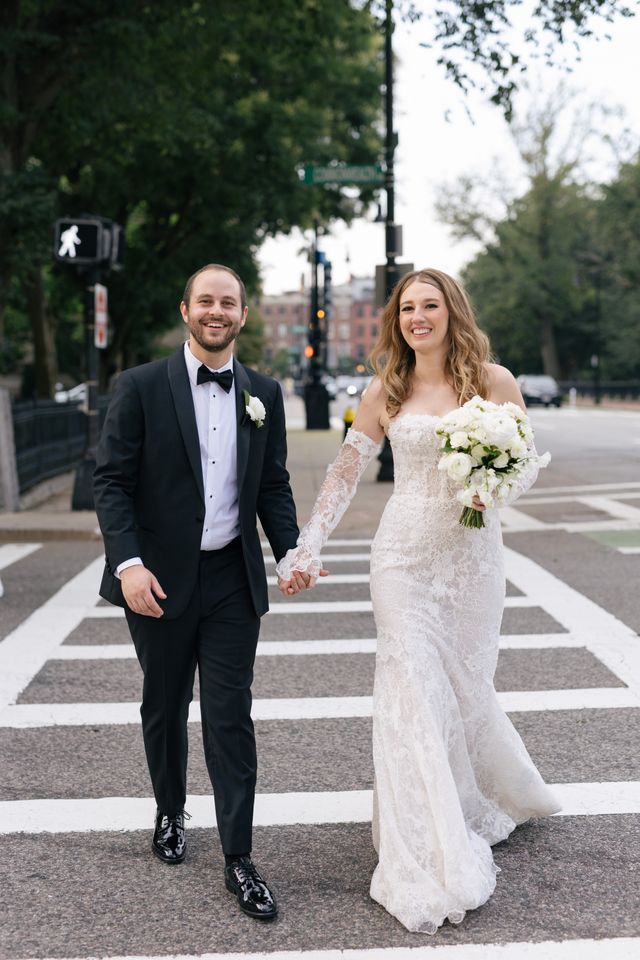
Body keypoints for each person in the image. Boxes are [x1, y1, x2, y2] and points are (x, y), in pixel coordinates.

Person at [277, 268, 560, 934]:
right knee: (410, 687)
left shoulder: (493, 382)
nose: (418, 317)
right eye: (407, 308)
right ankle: (422, 841)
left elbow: (521, 465)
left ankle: (479, 798)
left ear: (452, 311)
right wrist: (306, 546)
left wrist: (493, 490)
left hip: (472, 558)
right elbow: (343, 477)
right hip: (402, 557)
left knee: (465, 689)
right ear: (396, 319)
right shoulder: (385, 389)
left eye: (430, 305)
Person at [94, 263, 302, 921]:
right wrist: (128, 564)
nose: (217, 311)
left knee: (229, 713)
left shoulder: (262, 392)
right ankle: (169, 811)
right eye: (205, 301)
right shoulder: (139, 386)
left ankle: (239, 856)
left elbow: (270, 485)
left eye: (229, 302)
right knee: (163, 704)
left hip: (231, 581)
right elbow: (112, 483)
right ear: (186, 310)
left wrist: (291, 548)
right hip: (156, 579)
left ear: (242, 314)